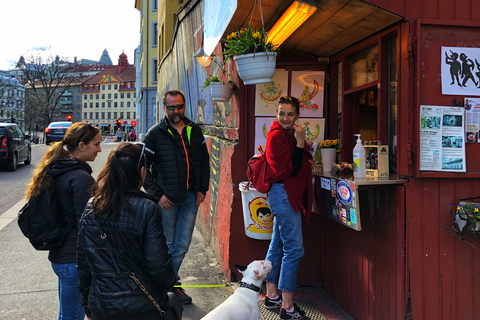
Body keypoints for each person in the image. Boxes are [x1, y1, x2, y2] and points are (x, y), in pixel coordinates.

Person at [77, 143, 176, 320]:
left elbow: (84, 264)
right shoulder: (147, 209)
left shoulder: (92, 207)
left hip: (103, 304)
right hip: (142, 305)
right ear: (142, 171)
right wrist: (169, 285)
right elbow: (158, 265)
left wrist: (88, 306)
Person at [25, 122, 102, 320]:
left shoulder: (60, 169)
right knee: (72, 317)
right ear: (82, 145)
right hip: (73, 260)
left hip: (62, 256)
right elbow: (87, 225)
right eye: (96, 144)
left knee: (66, 315)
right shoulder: (80, 177)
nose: (99, 149)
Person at [143, 89, 210, 304]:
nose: (176, 111)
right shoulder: (155, 134)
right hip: (167, 201)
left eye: (179, 106)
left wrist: (202, 190)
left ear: (184, 106)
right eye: (171, 107)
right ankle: (167, 286)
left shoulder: (194, 131)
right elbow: (143, 168)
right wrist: (157, 194)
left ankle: (165, 284)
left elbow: (204, 162)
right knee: (168, 243)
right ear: (165, 108)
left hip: (190, 197)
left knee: (181, 245)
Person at [262, 96, 314, 320]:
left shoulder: (289, 135)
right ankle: (288, 307)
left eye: (290, 114)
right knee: (294, 250)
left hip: (283, 195)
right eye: (281, 113)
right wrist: (301, 143)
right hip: (284, 196)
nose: (285, 118)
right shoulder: (276, 136)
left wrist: (301, 144)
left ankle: (272, 295)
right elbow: (290, 169)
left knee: (278, 245)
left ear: (297, 116)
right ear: (276, 115)